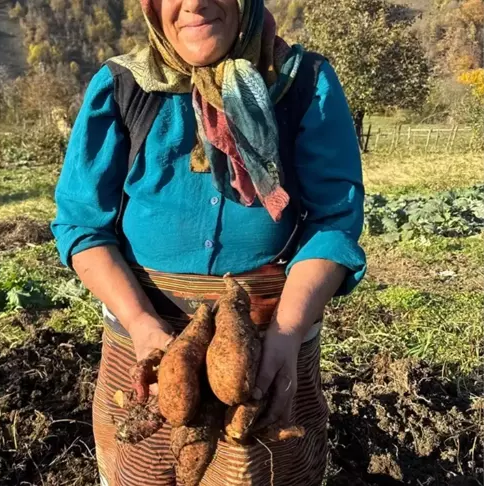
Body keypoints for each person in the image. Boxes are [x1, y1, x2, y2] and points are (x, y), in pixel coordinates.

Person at [51, 0, 366, 484]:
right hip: (148, 346)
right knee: (145, 469)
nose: (194, 4)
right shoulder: (122, 87)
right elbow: (80, 225)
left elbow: (334, 220)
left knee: (263, 468)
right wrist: (142, 327)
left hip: (267, 339)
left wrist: (284, 333)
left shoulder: (303, 84)